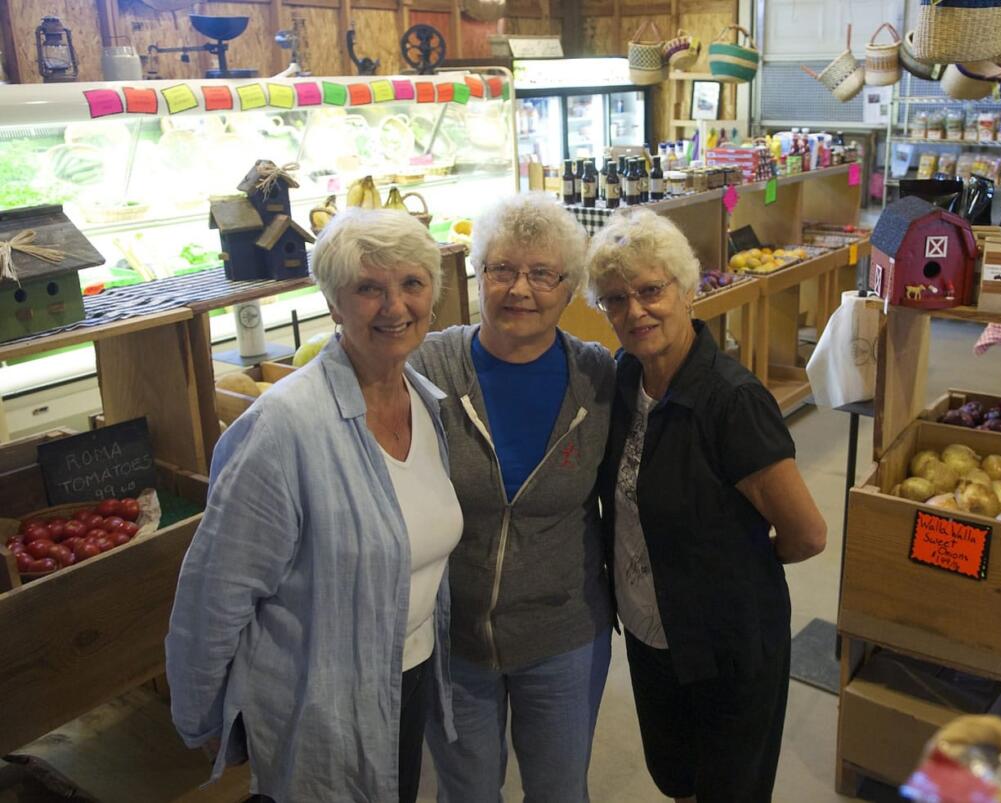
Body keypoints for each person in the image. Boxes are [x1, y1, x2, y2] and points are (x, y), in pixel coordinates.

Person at [165, 208, 462, 803]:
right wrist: (201, 721)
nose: (395, 306)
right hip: (319, 697)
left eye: (412, 284)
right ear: (333, 303)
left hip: (411, 674)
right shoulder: (283, 428)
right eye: (369, 289)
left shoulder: (426, 402)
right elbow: (214, 595)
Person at [586, 207, 827, 803]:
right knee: (678, 778)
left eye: (650, 291)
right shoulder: (623, 380)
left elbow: (806, 534)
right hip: (649, 632)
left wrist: (738, 566)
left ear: (687, 289)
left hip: (727, 643)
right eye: (616, 299)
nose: (635, 311)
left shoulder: (731, 402)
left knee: (729, 789)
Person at [411, 192, 614, 802]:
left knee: (558, 791)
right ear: (477, 275)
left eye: (542, 274)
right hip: (453, 637)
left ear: (570, 287)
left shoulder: (598, 377)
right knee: (467, 793)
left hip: (563, 633)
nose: (519, 289)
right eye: (502, 269)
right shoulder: (430, 365)